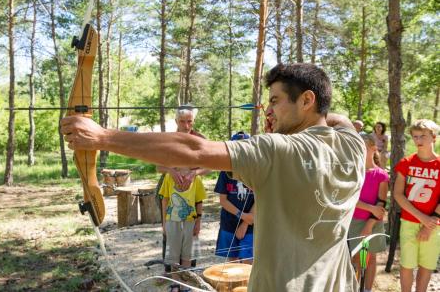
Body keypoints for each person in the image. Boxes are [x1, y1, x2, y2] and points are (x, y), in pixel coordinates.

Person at [60, 63, 366, 292]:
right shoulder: (352, 146)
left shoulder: (277, 149)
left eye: (274, 101)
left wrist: (102, 137)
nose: (269, 110)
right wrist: (302, 116)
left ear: (306, 100)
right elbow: (337, 120)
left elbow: (194, 150)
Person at [393, 119, 440, 292]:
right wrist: (422, 218)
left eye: (423, 136)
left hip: (434, 225)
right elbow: (398, 194)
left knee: (426, 266)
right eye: (415, 137)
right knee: (407, 265)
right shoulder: (407, 163)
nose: (418, 140)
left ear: (433, 137)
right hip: (409, 222)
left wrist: (429, 224)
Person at [347, 134, 389, 292]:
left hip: (373, 223)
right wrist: (371, 208)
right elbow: (349, 199)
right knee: (357, 259)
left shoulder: (381, 175)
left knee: (371, 259)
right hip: (354, 221)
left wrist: (369, 226)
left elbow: (381, 203)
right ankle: (354, 288)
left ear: (373, 148)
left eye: (362, 146)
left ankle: (367, 289)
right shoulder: (352, 172)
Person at [214, 131, 254, 265]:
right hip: (229, 223)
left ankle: (248, 286)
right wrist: (242, 216)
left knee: (249, 261)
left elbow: (260, 198)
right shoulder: (225, 171)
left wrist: (245, 223)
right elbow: (223, 200)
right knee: (233, 261)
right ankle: (234, 286)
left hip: (250, 224)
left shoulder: (255, 171)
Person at [158, 162, 206, 273]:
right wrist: (164, 223)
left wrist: (198, 222)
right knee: (173, 255)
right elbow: (164, 199)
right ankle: (175, 282)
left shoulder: (196, 179)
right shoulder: (169, 177)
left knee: (188, 255)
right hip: (172, 221)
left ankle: (185, 280)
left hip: (191, 221)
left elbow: (199, 201)